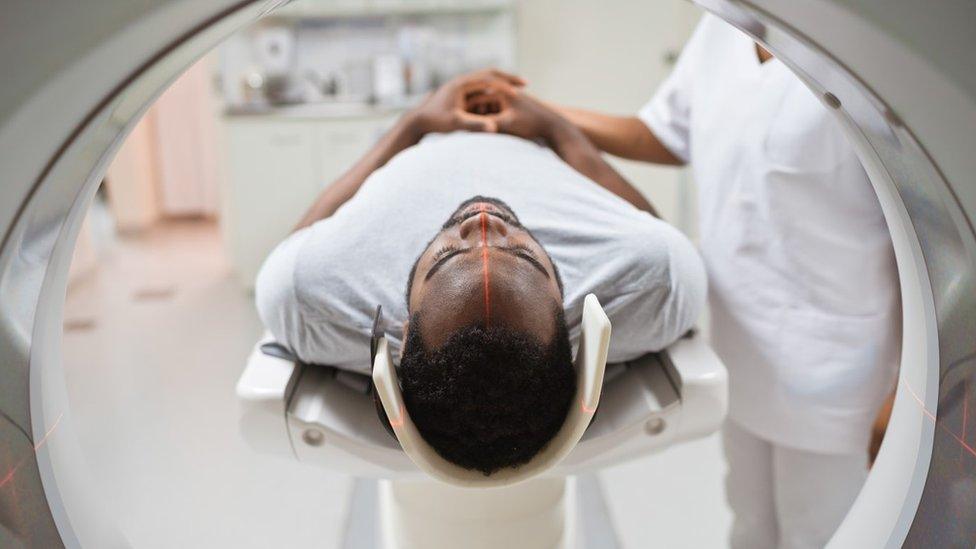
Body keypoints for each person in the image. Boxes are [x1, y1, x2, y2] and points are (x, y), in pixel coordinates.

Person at [547, 14, 900, 549]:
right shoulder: (726, 29)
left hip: (842, 376)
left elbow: (927, 239)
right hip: (742, 353)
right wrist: (543, 118)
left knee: (821, 533)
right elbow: (662, 132)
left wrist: (906, 393)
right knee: (750, 524)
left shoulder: (870, 55)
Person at [255, 70, 706, 475]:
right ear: (565, 322)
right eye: (528, 258)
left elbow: (295, 248)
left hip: (431, 134)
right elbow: (658, 233)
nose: (485, 223)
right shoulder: (651, 281)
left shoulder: (313, 294)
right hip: (529, 137)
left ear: (404, 332)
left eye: (447, 258)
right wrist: (554, 128)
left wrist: (412, 125)